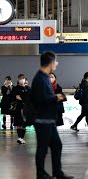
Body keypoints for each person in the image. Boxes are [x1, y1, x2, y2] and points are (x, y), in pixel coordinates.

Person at [32, 51, 73, 179]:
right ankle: (41, 174)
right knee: (42, 148)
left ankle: (57, 172)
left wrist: (55, 97)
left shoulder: (44, 77)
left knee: (56, 145)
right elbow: (41, 98)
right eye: (55, 61)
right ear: (50, 63)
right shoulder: (40, 78)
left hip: (49, 119)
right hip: (42, 120)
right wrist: (57, 97)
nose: (56, 64)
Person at [12, 74, 29, 144]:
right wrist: (15, 97)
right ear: (18, 80)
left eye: (23, 78)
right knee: (18, 124)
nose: (21, 80)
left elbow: (30, 97)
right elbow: (11, 97)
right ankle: (20, 137)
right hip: (18, 109)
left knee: (24, 124)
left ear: (25, 80)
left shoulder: (28, 88)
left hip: (26, 109)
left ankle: (21, 138)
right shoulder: (15, 88)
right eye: (20, 79)